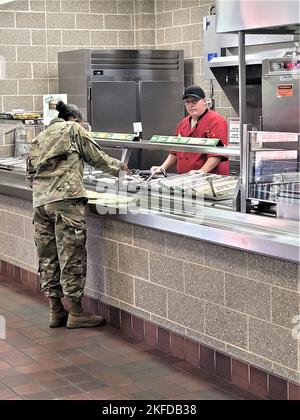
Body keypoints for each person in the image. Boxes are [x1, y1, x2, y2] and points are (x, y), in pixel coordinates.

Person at [26, 101, 128, 329]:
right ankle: (76, 312)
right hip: (66, 204)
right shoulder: (73, 130)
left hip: (41, 204)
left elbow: (29, 175)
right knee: (72, 256)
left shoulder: (39, 138)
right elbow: (98, 158)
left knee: (48, 257)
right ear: (74, 119)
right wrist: (122, 169)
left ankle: (56, 311)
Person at [151, 85, 229, 175]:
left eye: (194, 101)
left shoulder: (217, 121)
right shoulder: (183, 123)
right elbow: (175, 152)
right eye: (187, 102)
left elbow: (217, 154)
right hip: (185, 179)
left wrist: (201, 171)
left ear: (204, 101)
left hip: (209, 180)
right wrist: (162, 168)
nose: (191, 105)